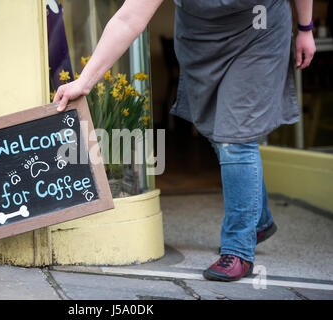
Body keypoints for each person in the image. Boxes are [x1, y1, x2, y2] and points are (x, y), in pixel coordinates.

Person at [53, 0, 316, 282]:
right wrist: (85, 81)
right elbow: (128, 19)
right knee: (217, 130)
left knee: (235, 138)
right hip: (201, 41)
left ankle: (238, 249)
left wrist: (305, 27)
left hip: (258, 34)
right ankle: (258, 221)